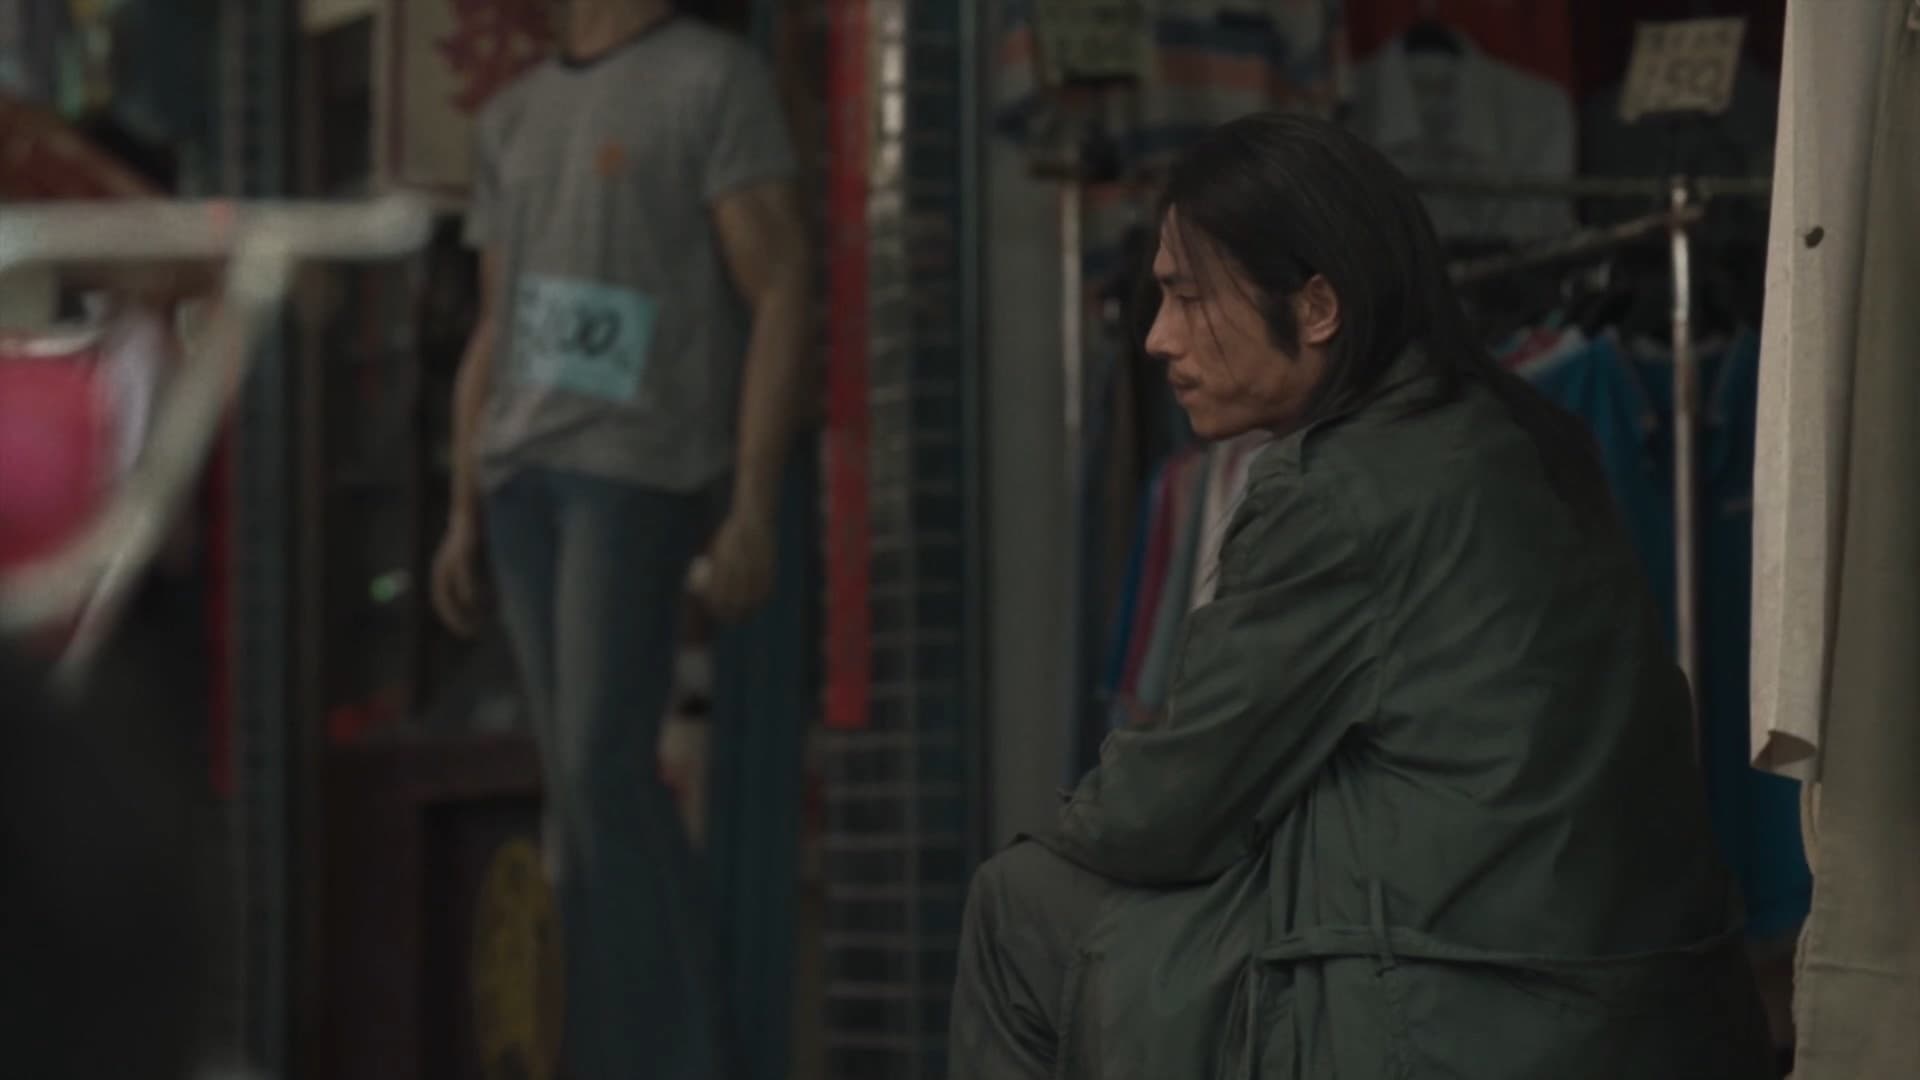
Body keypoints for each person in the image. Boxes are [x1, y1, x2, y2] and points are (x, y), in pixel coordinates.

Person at [949, 112, 1774, 1079]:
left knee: (1019, 899)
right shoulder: (1533, 436)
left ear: (1317, 308)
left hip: (1467, 1016)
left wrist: (1079, 816)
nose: (1157, 338)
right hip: (1655, 1006)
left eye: (1185, 297)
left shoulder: (1337, 490)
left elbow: (1167, 811)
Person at [426, 1, 810, 1077]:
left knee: (601, 765)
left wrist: (753, 500)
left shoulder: (710, 80)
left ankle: (679, 1054)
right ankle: (611, 1048)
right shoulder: (512, 115)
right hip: (520, 472)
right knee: (578, 783)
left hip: (638, 469)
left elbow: (783, 287)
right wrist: (460, 507)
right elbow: (495, 323)